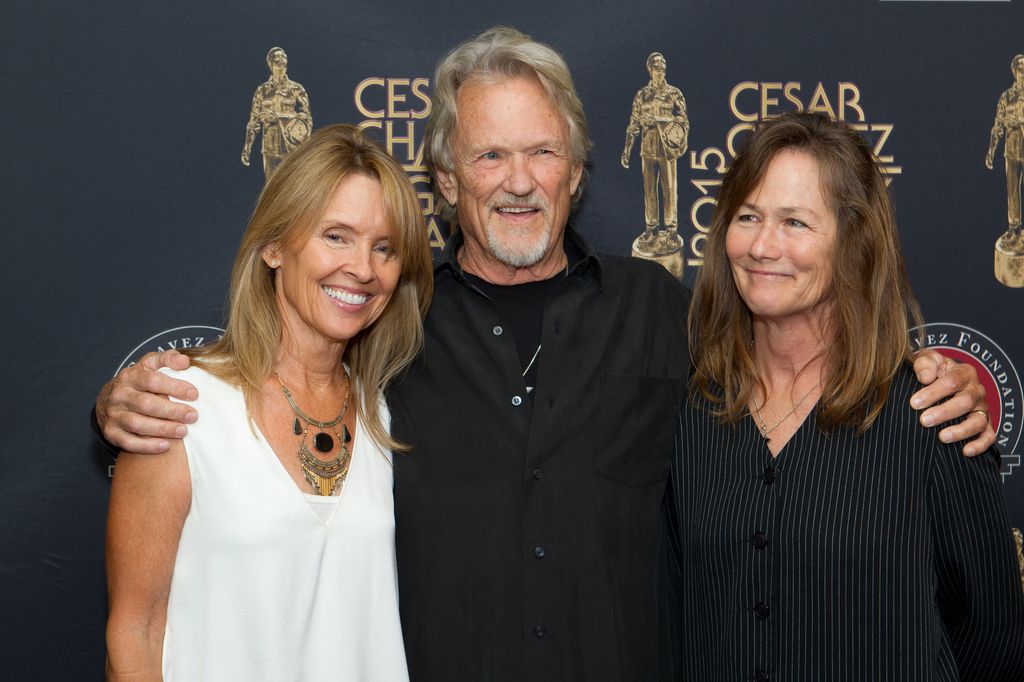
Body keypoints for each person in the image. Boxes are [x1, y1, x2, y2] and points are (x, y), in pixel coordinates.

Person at [96, 29, 994, 681]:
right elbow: (276, 375)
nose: (518, 180)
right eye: (489, 155)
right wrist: (123, 403)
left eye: (541, 152)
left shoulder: (666, 314)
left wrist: (939, 380)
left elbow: (801, 361)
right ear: (446, 181)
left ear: (575, 170)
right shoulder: (387, 325)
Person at [675, 112, 1024, 680]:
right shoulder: (692, 412)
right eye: (748, 216)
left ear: (853, 242)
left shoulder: (932, 416)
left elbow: (994, 640)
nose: (764, 245)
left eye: (795, 222)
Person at [105, 125, 433, 681]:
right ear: (273, 246)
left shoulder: (385, 411)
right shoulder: (182, 408)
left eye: (385, 248)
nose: (363, 268)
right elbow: (135, 634)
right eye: (336, 236)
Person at [622, 52, 689, 250]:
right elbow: (633, 124)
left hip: (668, 151)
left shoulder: (674, 93)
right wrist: (627, 149)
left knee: (670, 190)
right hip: (648, 150)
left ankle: (671, 230)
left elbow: (683, 120)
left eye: (662, 67)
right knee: (649, 191)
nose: (660, 70)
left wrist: (658, 121)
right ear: (649, 69)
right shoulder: (642, 95)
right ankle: (651, 228)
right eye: (656, 67)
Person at [241, 47, 313, 178]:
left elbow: (306, 118)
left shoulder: (296, 89)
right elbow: (254, 121)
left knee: (292, 189)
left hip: (291, 149)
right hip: (270, 149)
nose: (281, 60)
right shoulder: (262, 91)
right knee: (271, 190)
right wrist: (247, 147)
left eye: (283, 58)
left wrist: (280, 117)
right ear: (270, 64)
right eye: (277, 59)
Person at [986, 53, 1024, 252]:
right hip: (1012, 150)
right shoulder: (1007, 97)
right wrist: (991, 150)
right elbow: (998, 125)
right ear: (1014, 72)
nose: (1023, 73)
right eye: (1020, 69)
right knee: (1012, 191)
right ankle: (1014, 229)